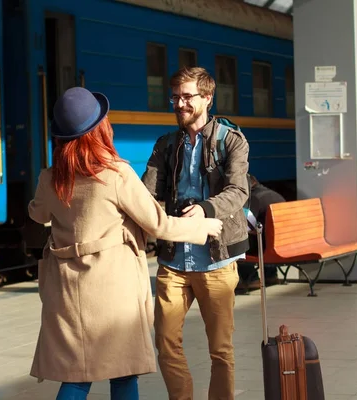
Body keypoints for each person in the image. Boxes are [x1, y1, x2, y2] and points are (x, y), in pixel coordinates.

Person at [28, 86, 224, 400]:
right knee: (122, 373)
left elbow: (37, 214)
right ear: (100, 131)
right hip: (112, 291)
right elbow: (158, 224)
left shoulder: (51, 178)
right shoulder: (116, 174)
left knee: (78, 376)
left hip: (67, 290)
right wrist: (202, 226)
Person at [141, 66, 250, 400]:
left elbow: (238, 191)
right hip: (174, 260)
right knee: (165, 342)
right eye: (175, 97)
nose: (179, 104)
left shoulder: (231, 140)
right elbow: (147, 191)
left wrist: (205, 209)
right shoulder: (166, 144)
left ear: (207, 97)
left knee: (220, 349)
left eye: (187, 96)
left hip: (215, 262)